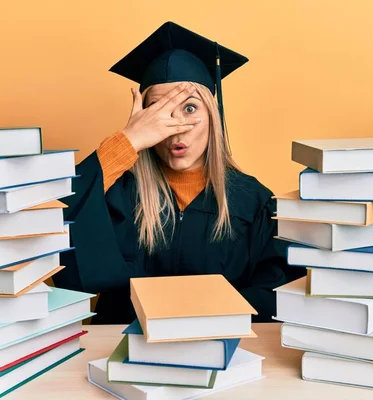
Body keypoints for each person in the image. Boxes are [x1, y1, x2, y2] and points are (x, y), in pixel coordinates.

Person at [53, 21, 304, 324]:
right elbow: (59, 236)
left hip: (219, 351)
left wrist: (206, 316)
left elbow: (277, 294)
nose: (174, 127)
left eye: (189, 109)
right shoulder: (118, 192)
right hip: (122, 352)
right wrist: (127, 143)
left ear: (213, 115)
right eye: (157, 112)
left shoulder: (252, 201)